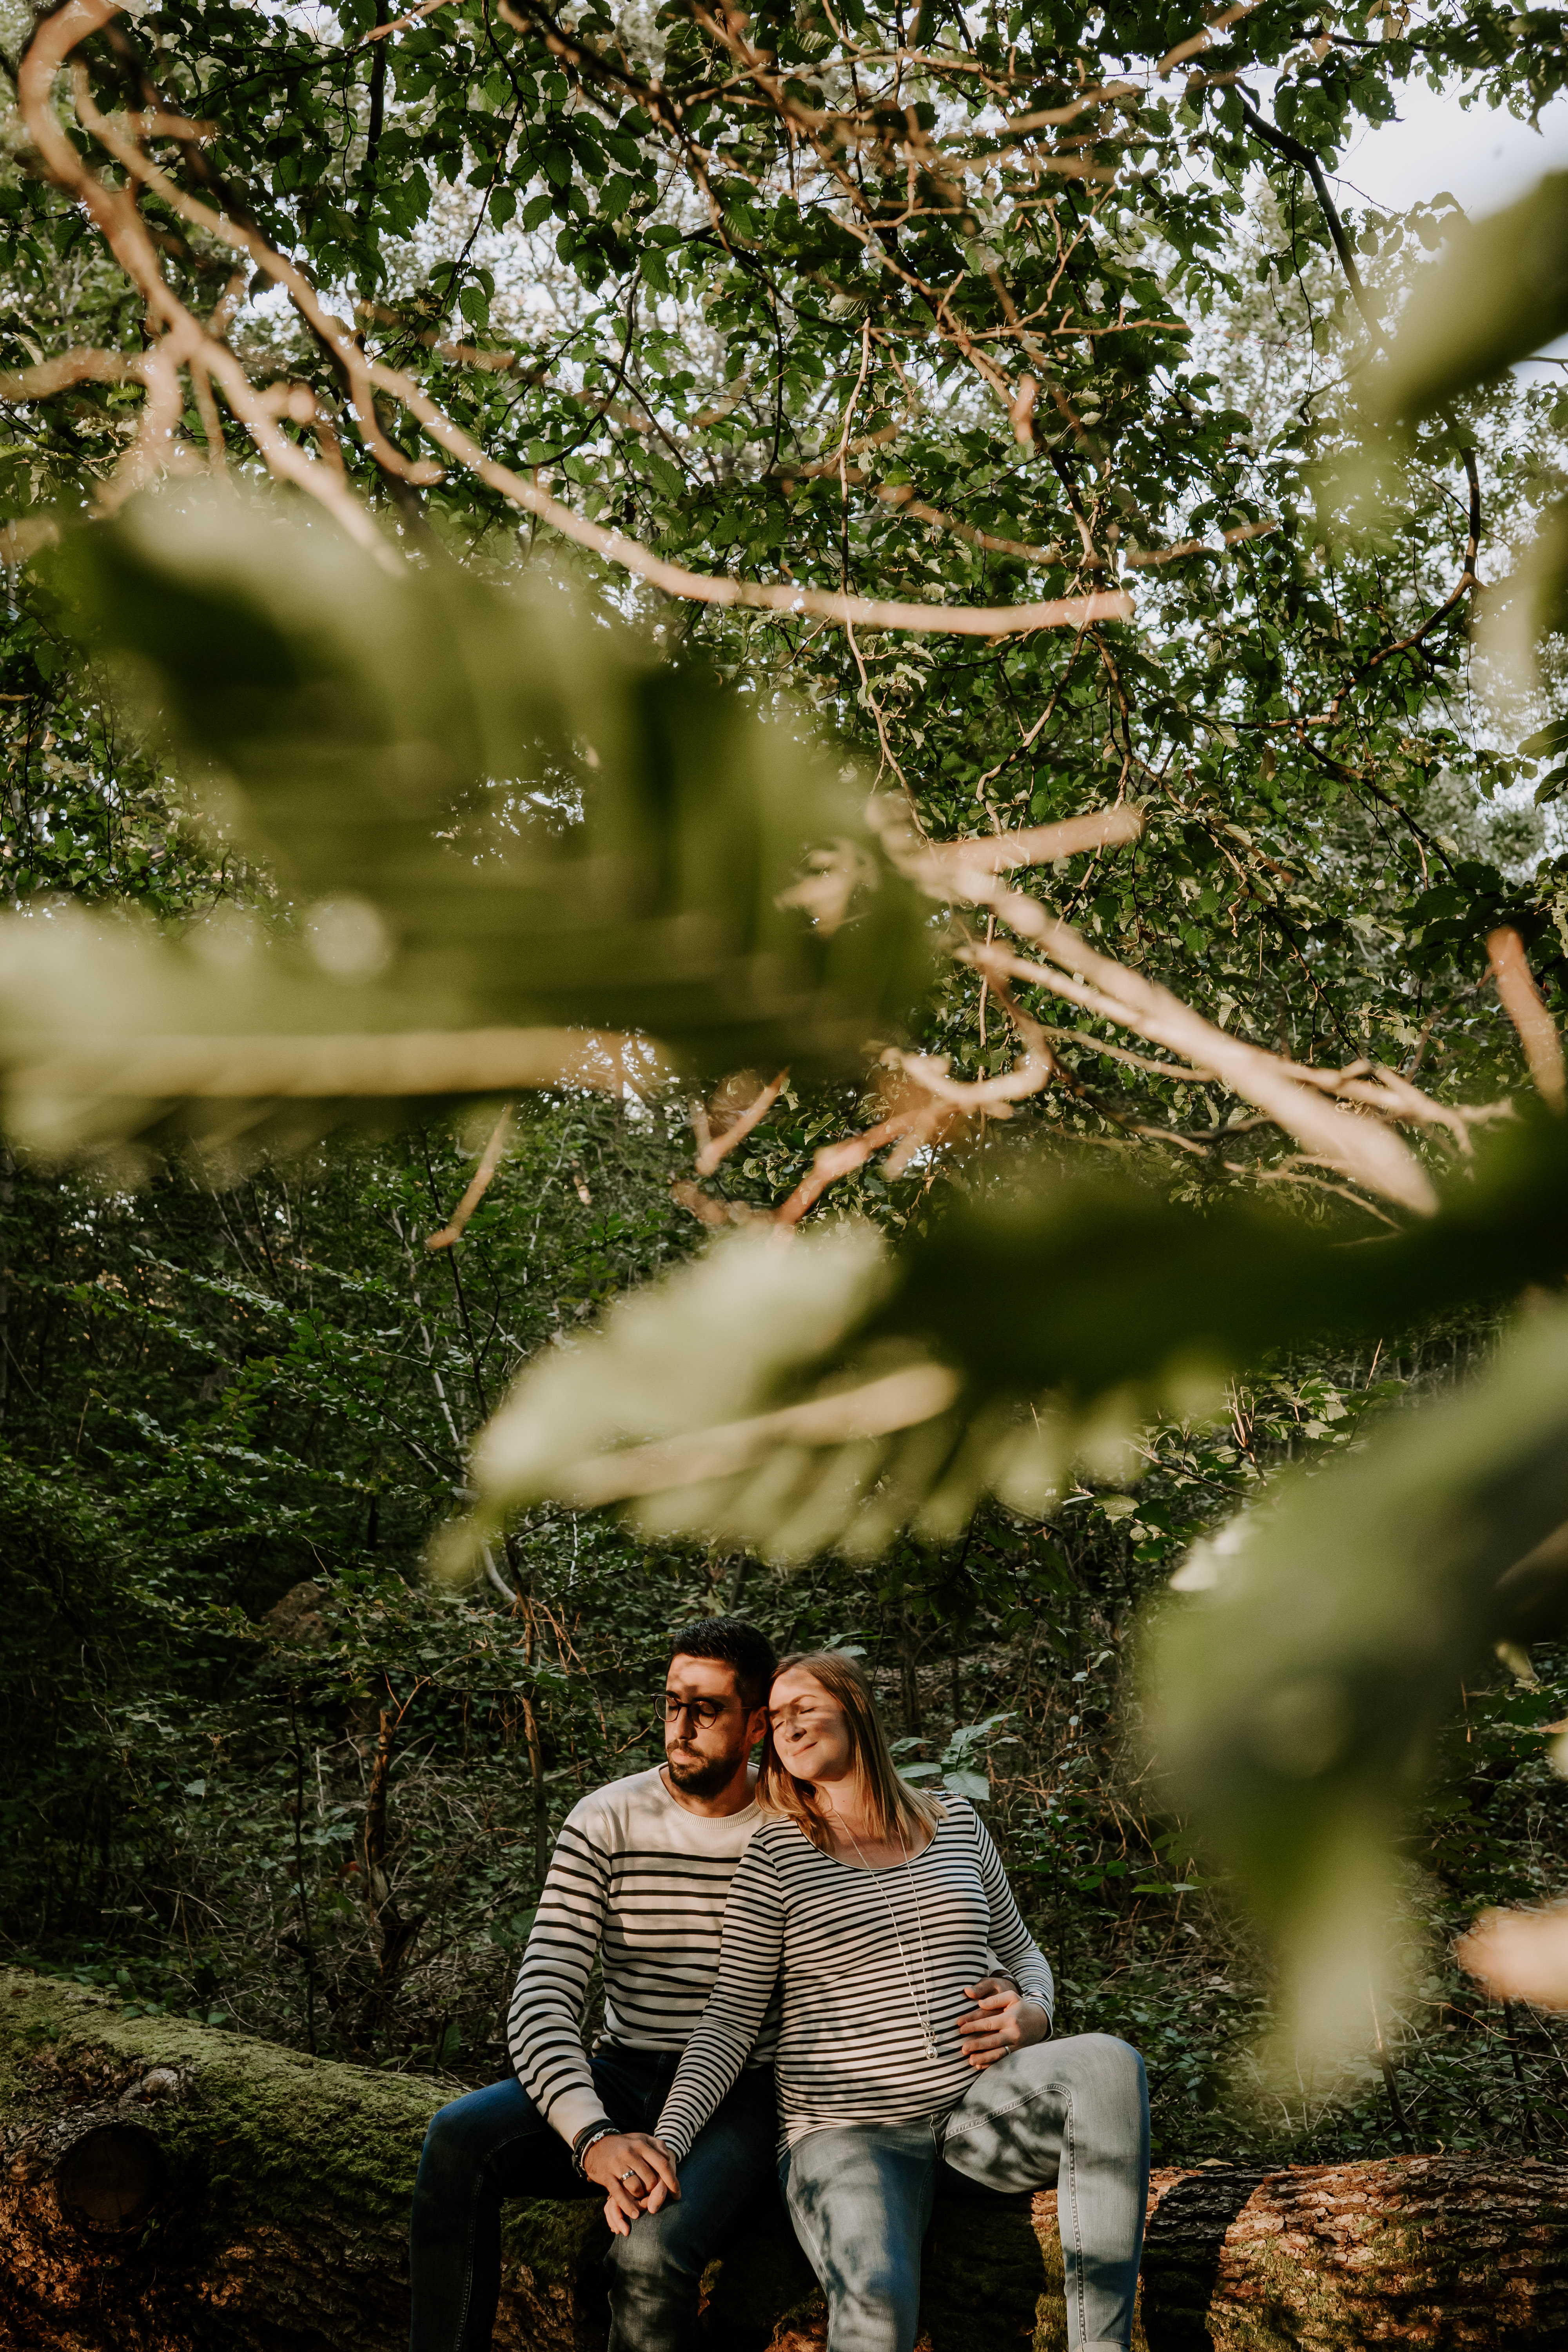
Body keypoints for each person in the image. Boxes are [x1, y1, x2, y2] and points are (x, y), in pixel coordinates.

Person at [622, 1650, 1149, 2352]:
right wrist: (669, 2140)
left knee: (1110, 2063)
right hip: (847, 2139)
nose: (789, 1728)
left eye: (804, 1707)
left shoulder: (956, 1821)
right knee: (878, 2318)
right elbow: (729, 2024)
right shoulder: (776, 1856)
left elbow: (1022, 1952)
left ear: (858, 1707)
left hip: (977, 2115)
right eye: (776, 1721)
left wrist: (1035, 2012)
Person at [408, 1615, 782, 2352]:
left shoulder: (798, 1822)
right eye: (673, 1703)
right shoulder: (607, 1816)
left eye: (706, 1710)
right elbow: (544, 1993)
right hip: (622, 2072)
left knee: (648, 2250)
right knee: (457, 2137)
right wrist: (594, 2140)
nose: (681, 1727)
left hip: (746, 2089)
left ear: (759, 1724)